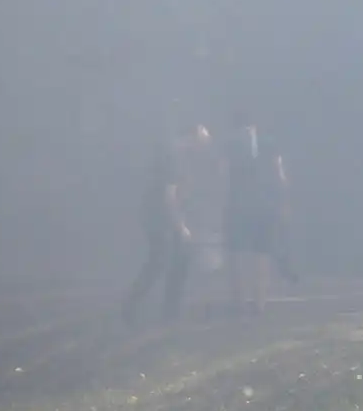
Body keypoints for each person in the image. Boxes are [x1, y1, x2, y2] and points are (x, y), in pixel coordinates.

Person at [121, 124, 212, 325]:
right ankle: (132, 306)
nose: (206, 142)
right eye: (204, 136)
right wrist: (181, 226)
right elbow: (168, 197)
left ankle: (169, 311)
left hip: (163, 215)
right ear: (195, 131)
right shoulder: (173, 155)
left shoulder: (179, 153)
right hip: (159, 218)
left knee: (179, 258)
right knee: (159, 261)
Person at [223, 112, 294, 314]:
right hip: (265, 206)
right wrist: (284, 203)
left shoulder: (229, 144)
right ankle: (260, 304)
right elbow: (281, 176)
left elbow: (223, 175)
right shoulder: (269, 143)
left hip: (237, 206)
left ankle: (239, 304)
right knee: (262, 254)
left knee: (237, 255)